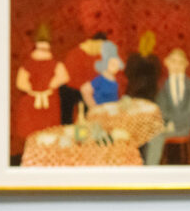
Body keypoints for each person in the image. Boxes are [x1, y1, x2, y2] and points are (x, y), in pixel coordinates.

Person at [10, 24, 68, 166]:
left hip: (35, 101)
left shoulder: (29, 64)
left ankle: (34, 160)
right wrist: (51, 85)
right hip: (45, 101)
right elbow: (63, 77)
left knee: (34, 135)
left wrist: (32, 89)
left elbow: (21, 82)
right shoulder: (54, 63)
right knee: (46, 133)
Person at [146, 49, 190, 165]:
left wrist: (174, 124)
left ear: (186, 65)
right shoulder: (162, 86)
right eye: (173, 62)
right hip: (166, 125)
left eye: (180, 62)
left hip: (184, 127)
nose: (177, 66)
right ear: (167, 63)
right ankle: (151, 167)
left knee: (156, 137)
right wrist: (167, 123)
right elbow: (161, 109)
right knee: (150, 133)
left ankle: (151, 167)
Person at [58, 33, 104, 124]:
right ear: (92, 43)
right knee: (67, 117)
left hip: (86, 90)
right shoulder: (75, 53)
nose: (100, 49)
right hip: (70, 89)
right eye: (100, 46)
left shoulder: (99, 56)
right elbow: (70, 77)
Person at [81, 40, 123, 107]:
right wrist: (94, 107)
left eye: (116, 65)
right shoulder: (101, 79)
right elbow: (85, 89)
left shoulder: (115, 80)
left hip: (112, 112)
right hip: (102, 112)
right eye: (112, 64)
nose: (115, 67)